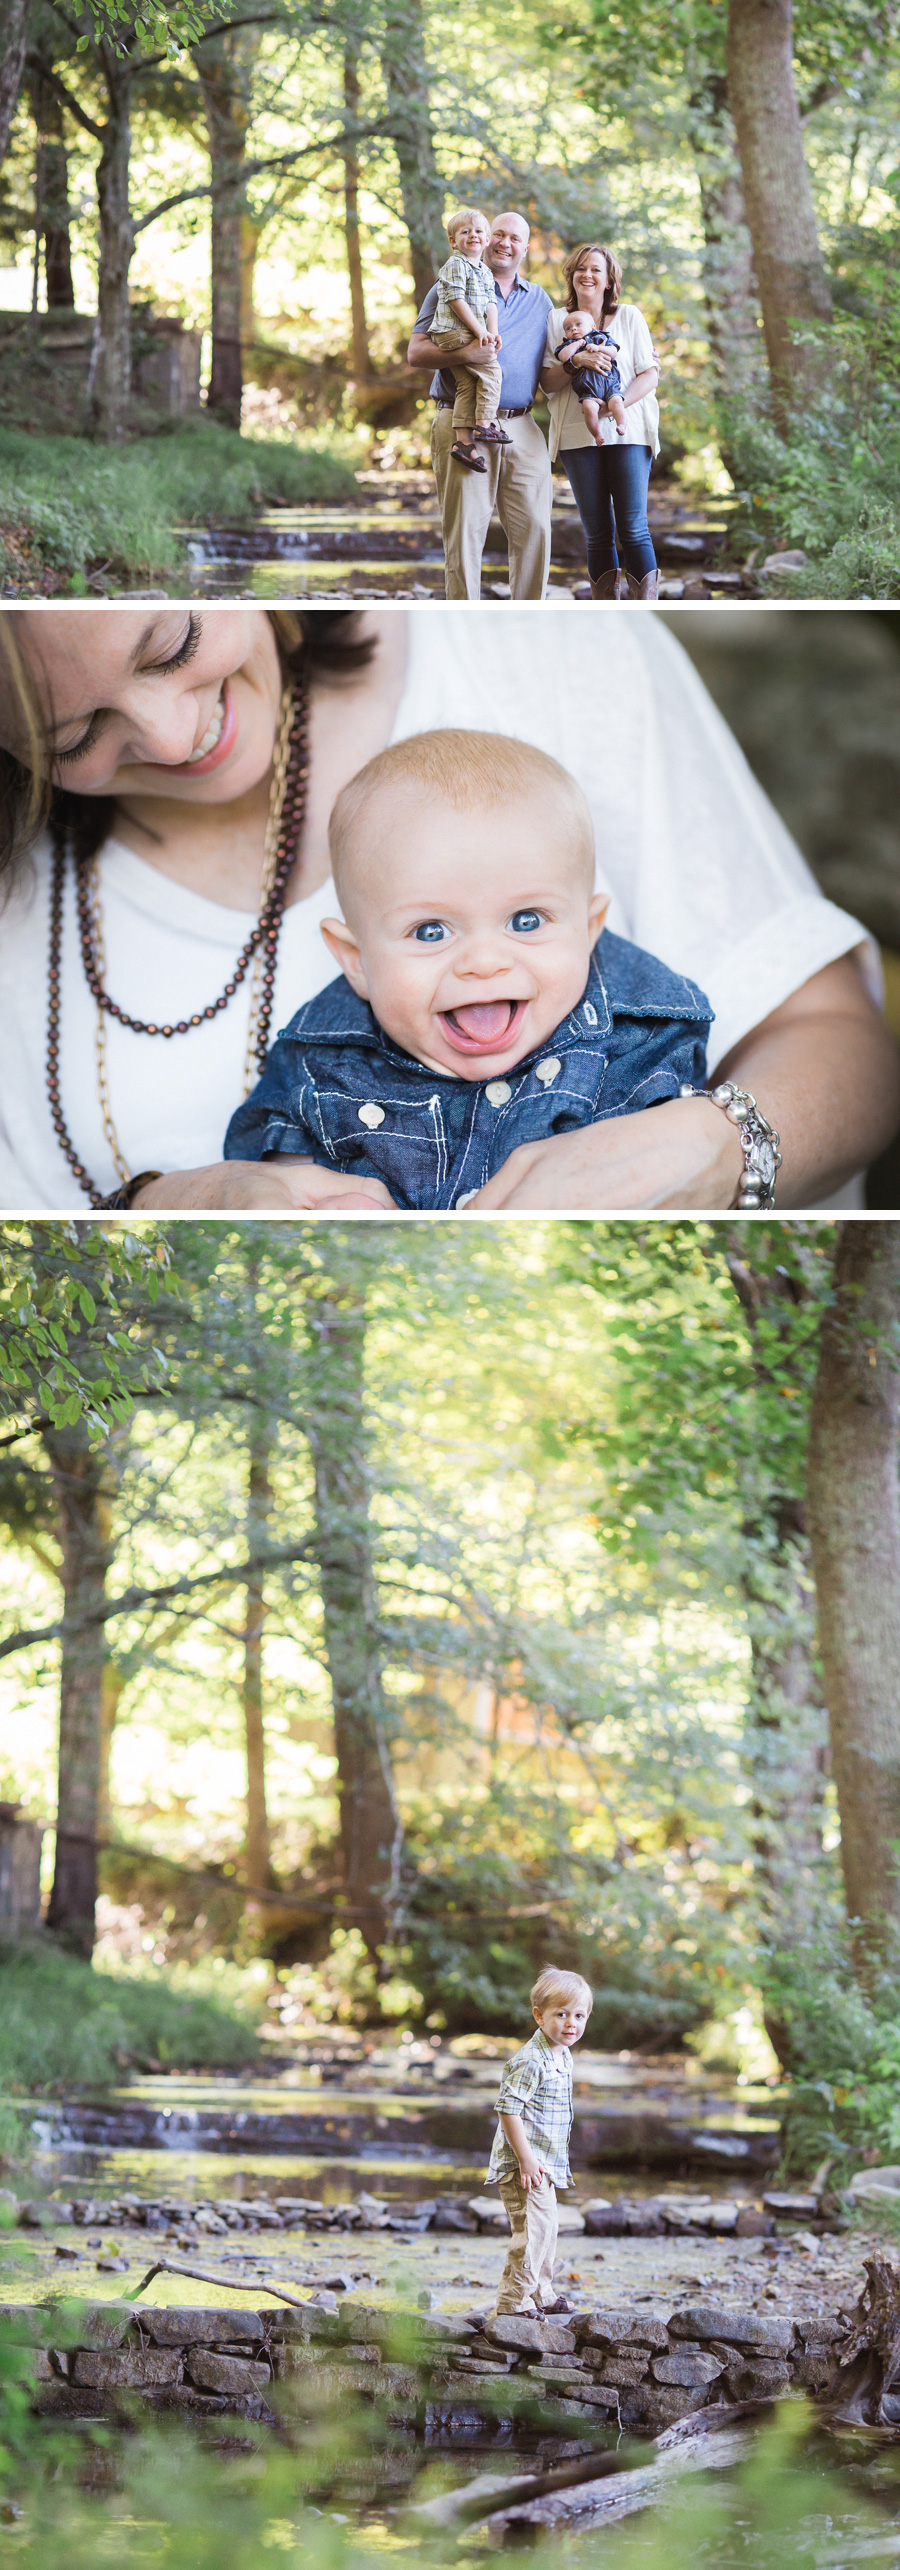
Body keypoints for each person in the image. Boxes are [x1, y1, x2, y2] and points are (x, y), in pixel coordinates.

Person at [0, 603, 895, 1214]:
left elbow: (843, 1042)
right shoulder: (32, 911)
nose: (170, 734)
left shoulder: (534, 643)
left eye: (173, 643)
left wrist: (718, 1149)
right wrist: (160, 1212)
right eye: (72, 733)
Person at [223, 730, 711, 1210]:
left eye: (526, 921)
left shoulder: (638, 1040)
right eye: (430, 931)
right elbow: (278, 1187)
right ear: (357, 962)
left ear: (589, 929)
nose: (483, 962)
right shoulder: (320, 1067)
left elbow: (676, 1170)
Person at [407, 210, 553, 599]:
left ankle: (528, 621)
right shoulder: (451, 283)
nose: (505, 243)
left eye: (514, 238)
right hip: (463, 421)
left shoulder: (540, 301)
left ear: (525, 247)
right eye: (499, 235)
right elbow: (416, 352)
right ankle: (466, 620)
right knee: (466, 534)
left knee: (536, 528)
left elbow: (554, 366)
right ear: (487, 239)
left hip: (522, 425)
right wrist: (468, 353)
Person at [542, 242, 661, 600]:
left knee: (633, 527)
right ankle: (606, 608)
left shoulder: (629, 316)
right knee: (596, 532)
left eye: (596, 269)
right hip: (578, 434)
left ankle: (645, 608)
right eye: (580, 269)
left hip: (629, 430)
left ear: (609, 279)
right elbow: (546, 384)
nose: (587, 275)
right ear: (571, 276)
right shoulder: (554, 320)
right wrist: (574, 362)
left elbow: (649, 374)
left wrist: (616, 404)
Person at [486, 1967, 593, 2319]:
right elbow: (507, 2109)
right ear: (539, 2016)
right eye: (560, 2014)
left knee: (548, 2229)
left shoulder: (562, 2055)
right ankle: (513, 2303)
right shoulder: (532, 2061)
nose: (570, 2023)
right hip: (524, 2165)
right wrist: (527, 2160)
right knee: (531, 2234)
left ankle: (542, 2294)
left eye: (579, 2015)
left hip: (545, 2163)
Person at [429, 208, 506, 471]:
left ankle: (463, 443)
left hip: (468, 332)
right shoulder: (456, 264)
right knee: (492, 372)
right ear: (453, 241)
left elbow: (490, 304)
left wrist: (492, 331)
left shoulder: (484, 271)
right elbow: (455, 300)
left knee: (467, 384)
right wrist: (479, 332)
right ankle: (484, 425)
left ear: (486, 240)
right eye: (465, 231)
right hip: (453, 332)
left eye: (478, 231)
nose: (473, 235)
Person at [553, 309, 626, 440]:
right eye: (568, 328)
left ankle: (622, 424)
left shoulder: (600, 337)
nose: (573, 329)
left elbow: (613, 352)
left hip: (609, 383)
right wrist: (576, 345)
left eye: (578, 324)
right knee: (588, 408)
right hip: (588, 388)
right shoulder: (569, 344)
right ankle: (597, 434)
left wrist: (599, 348)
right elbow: (563, 357)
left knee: (617, 402)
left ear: (593, 327)